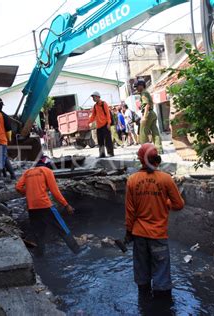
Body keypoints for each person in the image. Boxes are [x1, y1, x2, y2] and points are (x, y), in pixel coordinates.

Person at [125, 143, 184, 299]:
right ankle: (163, 308)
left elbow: (130, 212)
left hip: (138, 234)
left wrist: (128, 233)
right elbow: (179, 204)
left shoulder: (132, 180)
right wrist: (165, 203)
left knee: (142, 274)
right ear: (156, 159)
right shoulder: (166, 179)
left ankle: (144, 304)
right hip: (158, 235)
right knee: (162, 275)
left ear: (141, 160)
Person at [15, 155, 75, 256]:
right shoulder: (47, 171)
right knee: (62, 228)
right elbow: (55, 191)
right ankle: (77, 251)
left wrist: (29, 192)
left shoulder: (27, 172)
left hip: (32, 208)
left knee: (39, 233)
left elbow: (18, 187)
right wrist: (66, 205)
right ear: (47, 164)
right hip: (45, 206)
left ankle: (40, 255)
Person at [135, 79, 163, 153]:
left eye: (137, 87)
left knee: (143, 132)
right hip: (152, 113)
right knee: (155, 132)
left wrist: (144, 117)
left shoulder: (143, 93)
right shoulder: (146, 92)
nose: (136, 88)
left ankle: (145, 151)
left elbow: (147, 105)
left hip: (148, 114)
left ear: (141, 86)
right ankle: (159, 149)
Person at [88, 91, 114, 158]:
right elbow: (93, 116)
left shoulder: (103, 104)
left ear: (98, 97)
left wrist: (108, 123)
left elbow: (108, 114)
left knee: (108, 140)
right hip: (99, 126)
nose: (93, 98)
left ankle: (110, 153)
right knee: (100, 141)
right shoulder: (95, 106)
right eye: (92, 97)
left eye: (94, 97)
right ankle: (102, 154)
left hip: (105, 125)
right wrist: (88, 122)